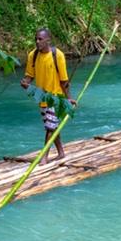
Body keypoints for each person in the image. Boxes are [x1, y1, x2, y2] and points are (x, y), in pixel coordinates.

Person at [20, 28, 76, 162]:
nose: (37, 42)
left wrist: (68, 99)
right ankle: (61, 152)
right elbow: (29, 75)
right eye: (36, 39)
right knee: (52, 124)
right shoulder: (32, 56)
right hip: (40, 96)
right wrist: (25, 83)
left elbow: (64, 81)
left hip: (56, 97)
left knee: (50, 127)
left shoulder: (58, 55)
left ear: (48, 40)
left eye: (40, 39)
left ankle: (44, 156)